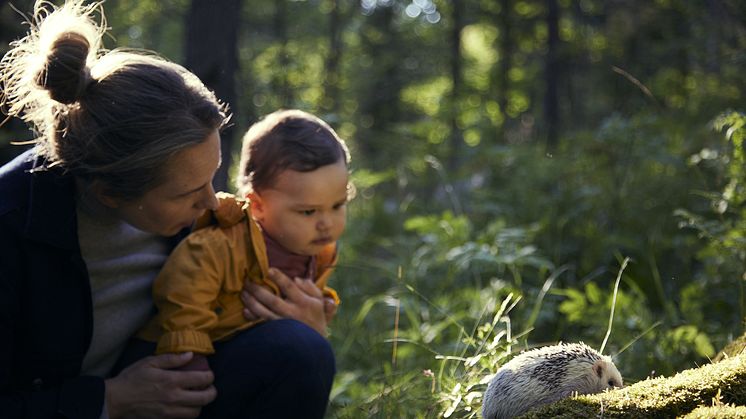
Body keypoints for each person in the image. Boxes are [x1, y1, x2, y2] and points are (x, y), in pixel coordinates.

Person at [0, 1, 335, 418]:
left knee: (299, 351)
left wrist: (306, 322)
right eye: (188, 193)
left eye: (213, 177)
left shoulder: (206, 218)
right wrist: (109, 400)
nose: (212, 202)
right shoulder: (12, 227)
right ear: (109, 194)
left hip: (167, 384)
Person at [137, 109, 351, 373]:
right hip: (176, 356)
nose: (326, 223)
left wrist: (322, 305)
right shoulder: (221, 246)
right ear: (257, 205)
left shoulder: (318, 250)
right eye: (308, 211)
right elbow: (182, 293)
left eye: (338, 205)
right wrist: (189, 353)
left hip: (248, 349)